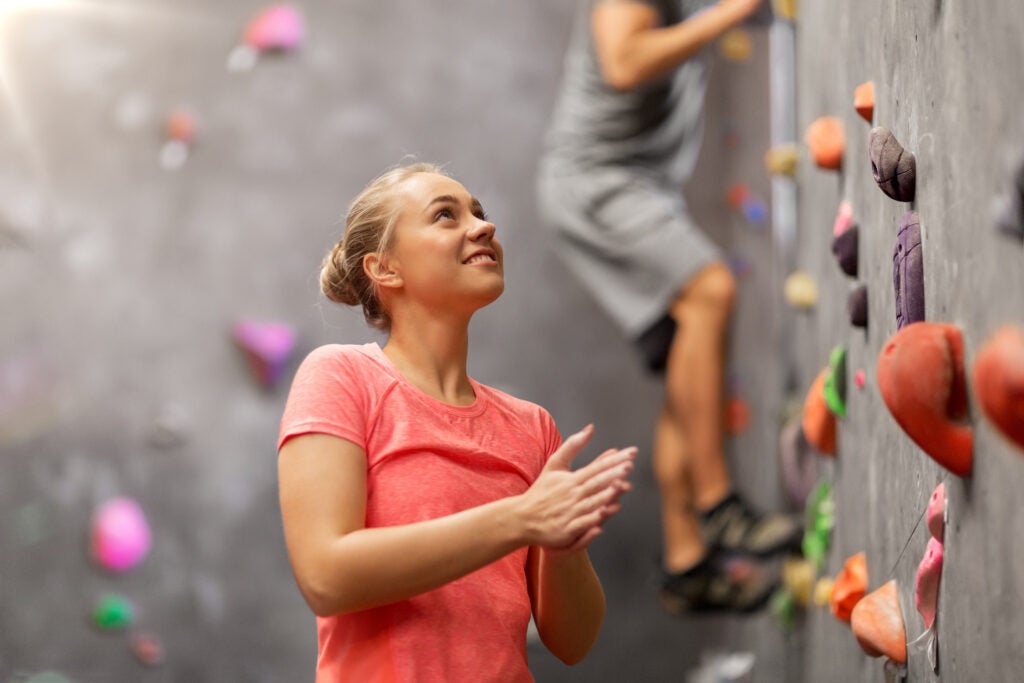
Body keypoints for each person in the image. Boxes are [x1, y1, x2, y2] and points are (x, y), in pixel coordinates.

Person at [277, 162, 636, 682]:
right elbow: (326, 576)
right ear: (385, 269)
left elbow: (573, 642)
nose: (482, 226)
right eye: (445, 216)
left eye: (479, 213)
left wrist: (562, 546)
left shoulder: (531, 428)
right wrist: (521, 518)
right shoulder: (342, 377)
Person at [536, 0, 801, 614]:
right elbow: (625, 63)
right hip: (600, 183)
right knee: (711, 288)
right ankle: (719, 505)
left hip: (638, 184)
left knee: (689, 356)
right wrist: (733, 13)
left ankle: (688, 564)